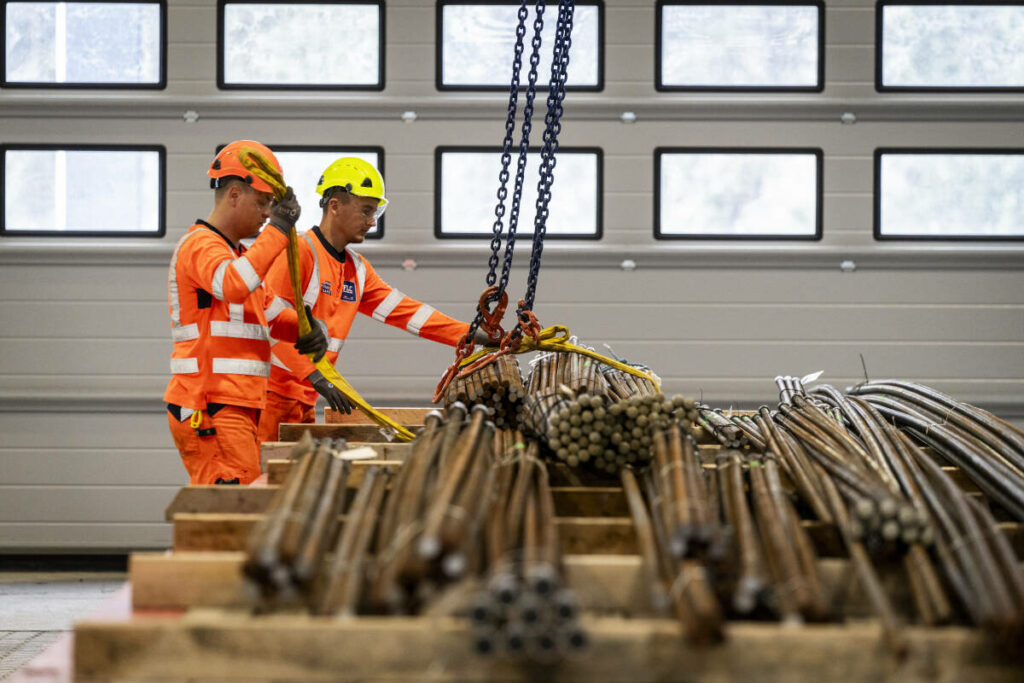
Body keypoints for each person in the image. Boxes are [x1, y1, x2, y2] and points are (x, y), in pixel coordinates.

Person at [256, 157, 488, 443]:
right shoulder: (299, 253)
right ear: (335, 205)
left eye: (375, 212)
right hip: (270, 398)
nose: (372, 221)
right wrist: (316, 376)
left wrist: (476, 336)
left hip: (304, 398)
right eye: (365, 210)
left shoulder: (357, 270)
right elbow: (270, 322)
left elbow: (411, 314)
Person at [164, 140, 328, 485]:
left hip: (234, 405)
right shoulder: (201, 246)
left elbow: (267, 312)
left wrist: (306, 327)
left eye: (272, 205)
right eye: (263, 202)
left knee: (240, 508)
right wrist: (279, 231)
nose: (268, 213)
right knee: (235, 509)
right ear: (235, 194)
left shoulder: (236, 256)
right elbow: (232, 285)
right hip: (211, 406)